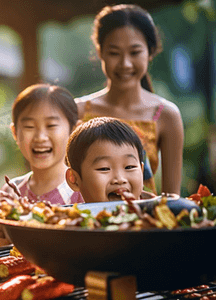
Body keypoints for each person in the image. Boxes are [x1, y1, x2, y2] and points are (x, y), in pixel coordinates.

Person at [76, 4, 184, 195]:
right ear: (100, 52)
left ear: (150, 52)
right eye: (114, 53)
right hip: (85, 222)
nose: (125, 63)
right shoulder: (78, 111)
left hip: (143, 222)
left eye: (134, 52)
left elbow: (172, 199)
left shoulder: (166, 115)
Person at [0, 84, 83, 247]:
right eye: (29, 127)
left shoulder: (84, 189)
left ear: (74, 130)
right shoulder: (10, 193)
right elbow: (0, 255)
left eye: (51, 126)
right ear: (15, 132)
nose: (40, 137)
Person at [65, 117, 145, 203]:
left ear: (141, 170)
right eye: (104, 168)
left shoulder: (154, 212)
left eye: (129, 167)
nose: (120, 179)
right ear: (74, 179)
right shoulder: (67, 216)